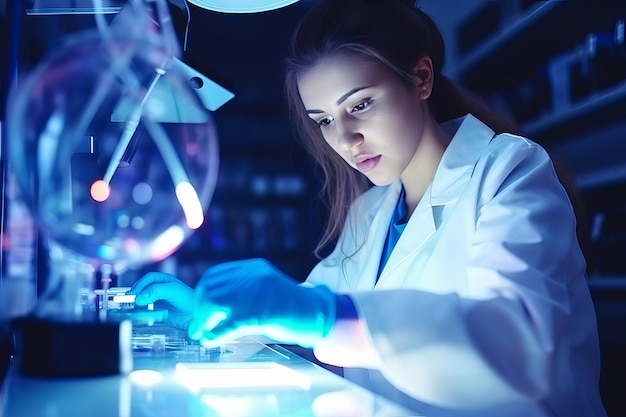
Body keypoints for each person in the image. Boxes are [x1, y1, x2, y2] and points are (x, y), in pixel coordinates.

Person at [128, 0, 607, 415]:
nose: (345, 139)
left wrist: (318, 313)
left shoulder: (510, 173)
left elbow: (516, 344)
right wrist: (206, 317)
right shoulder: (372, 211)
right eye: (323, 121)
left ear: (420, 79)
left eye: (359, 105)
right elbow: (305, 311)